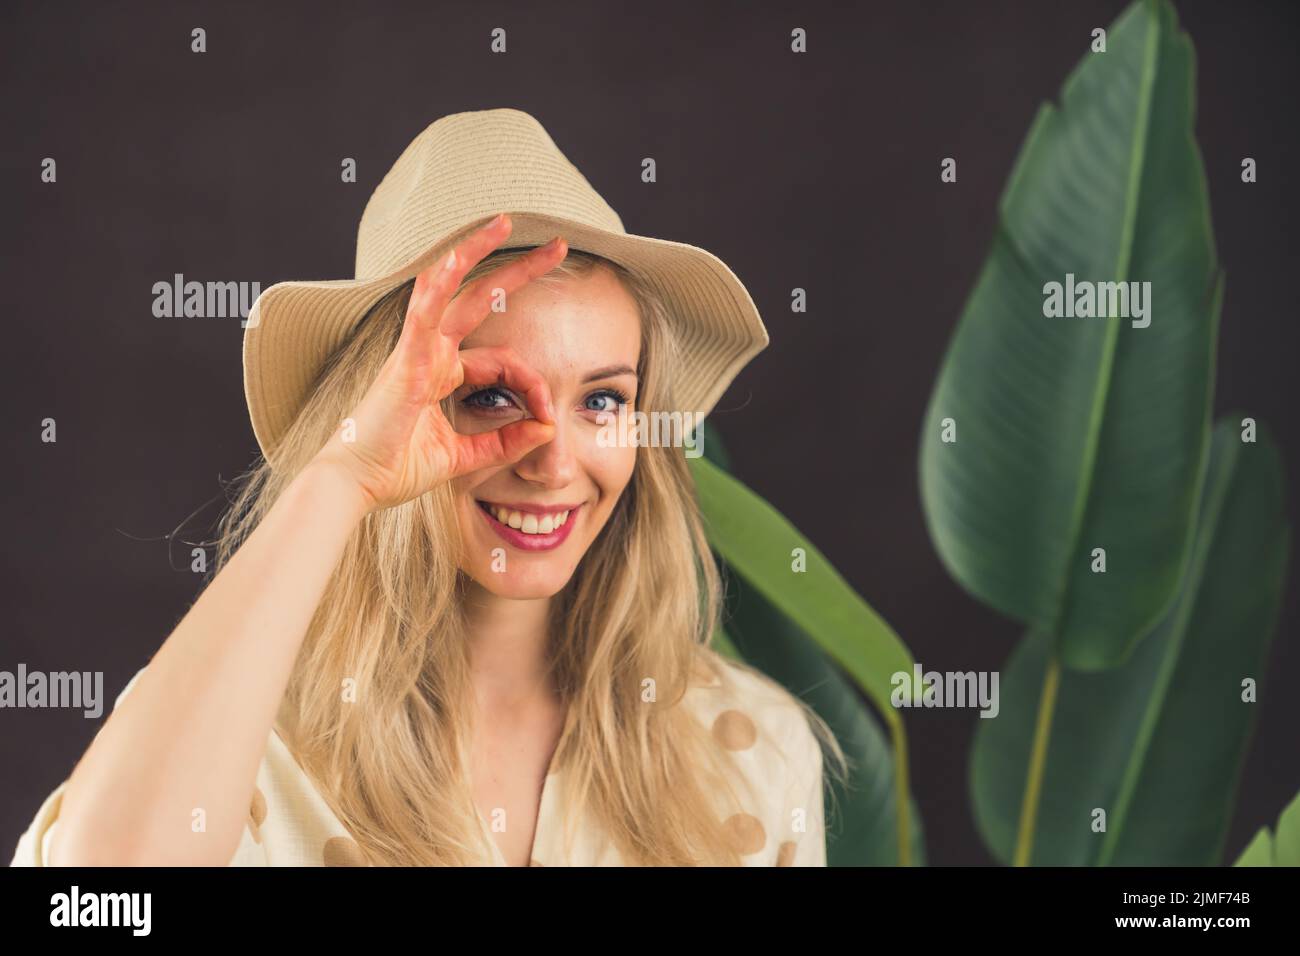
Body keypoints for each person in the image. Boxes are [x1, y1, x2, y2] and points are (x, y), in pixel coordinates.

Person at [10, 108, 845, 867]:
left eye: (601, 399)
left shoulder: (751, 748)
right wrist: (341, 474)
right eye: (489, 395)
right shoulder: (235, 736)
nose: (552, 463)